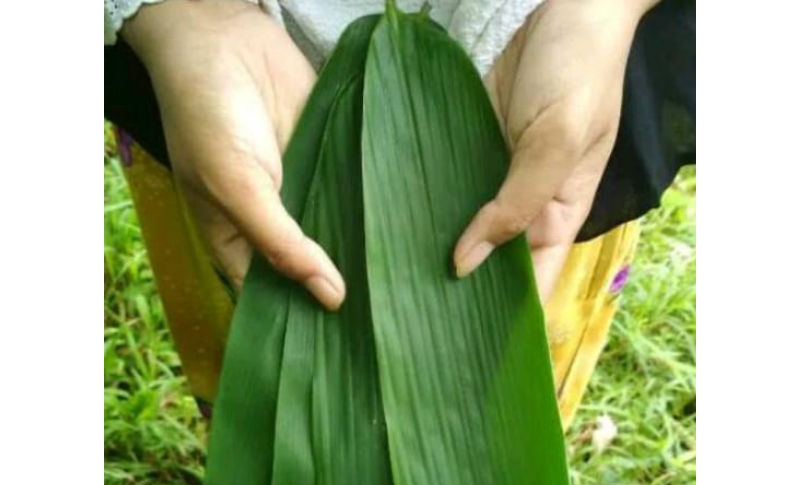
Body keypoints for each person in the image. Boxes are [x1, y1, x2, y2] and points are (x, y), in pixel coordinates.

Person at [104, 0, 694, 426]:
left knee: (501, 384)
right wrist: (177, 15)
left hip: (541, 114)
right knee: (261, 366)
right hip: (219, 102)